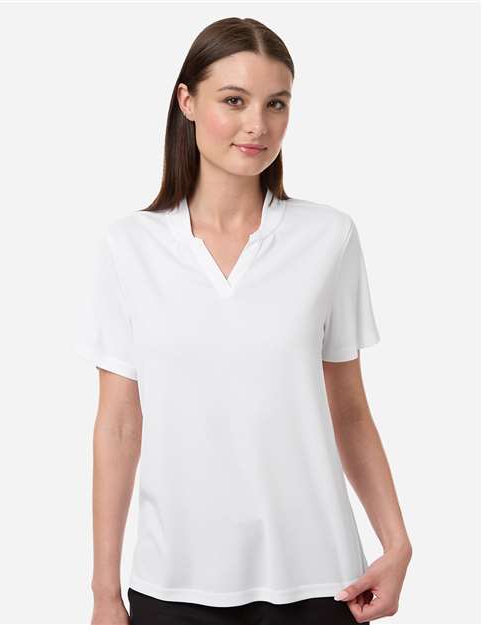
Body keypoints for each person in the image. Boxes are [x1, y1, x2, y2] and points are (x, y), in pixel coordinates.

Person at [75, 16, 412, 625]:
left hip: (321, 581)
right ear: (187, 102)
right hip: (174, 584)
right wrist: (104, 592)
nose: (258, 124)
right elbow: (119, 425)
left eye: (276, 103)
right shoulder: (130, 247)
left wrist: (397, 545)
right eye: (234, 100)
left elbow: (350, 410)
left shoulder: (328, 237)